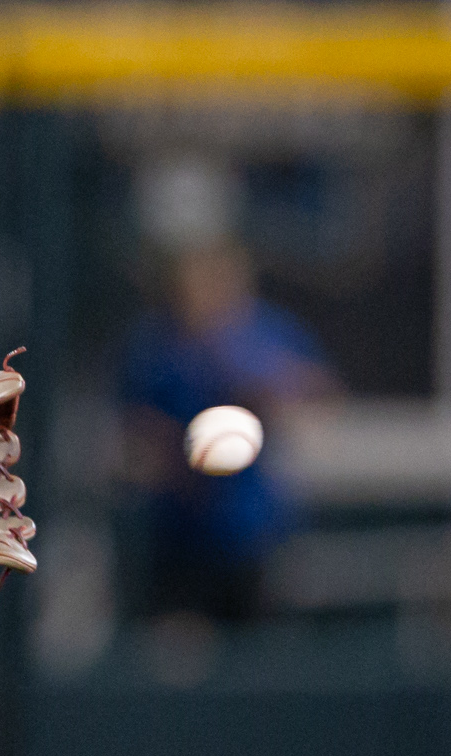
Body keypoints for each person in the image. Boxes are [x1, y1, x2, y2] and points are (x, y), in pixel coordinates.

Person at [121, 240, 338, 620]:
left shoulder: (265, 334)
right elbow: (136, 437)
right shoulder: (156, 347)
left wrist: (265, 394)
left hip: (256, 536)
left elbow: (318, 394)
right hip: (178, 539)